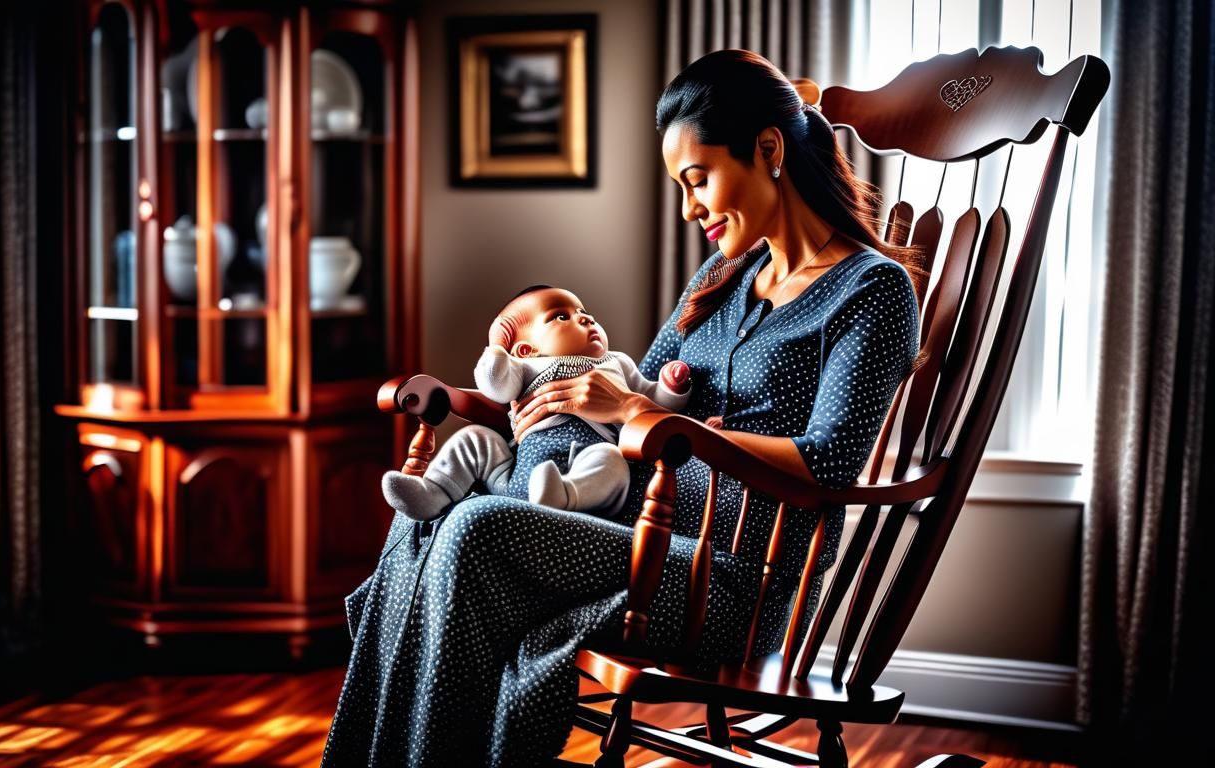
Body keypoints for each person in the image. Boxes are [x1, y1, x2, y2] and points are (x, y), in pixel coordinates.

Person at [319, 48, 927, 768]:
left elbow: (825, 462)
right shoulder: (724, 275)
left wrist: (647, 413)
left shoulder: (874, 291)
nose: (688, 207)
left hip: (731, 579)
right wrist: (551, 398)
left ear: (768, 150)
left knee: (477, 529)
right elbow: (639, 391)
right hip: (626, 532)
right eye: (680, 185)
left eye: (697, 179)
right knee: (432, 519)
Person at [382, 284, 692, 520]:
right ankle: (433, 492)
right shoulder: (524, 367)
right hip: (518, 472)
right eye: (561, 316)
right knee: (475, 439)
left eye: (585, 313)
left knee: (611, 461)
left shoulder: (618, 363)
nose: (584, 319)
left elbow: (652, 399)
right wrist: (496, 347)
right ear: (525, 349)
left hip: (583, 460)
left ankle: (565, 494)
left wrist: (672, 386)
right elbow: (496, 388)